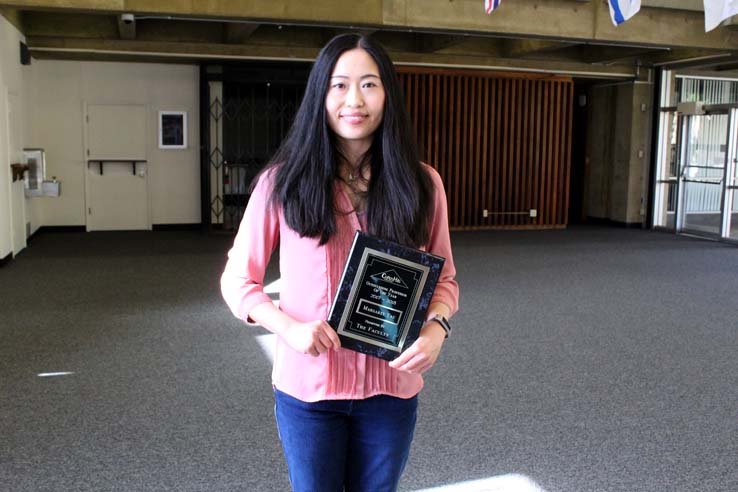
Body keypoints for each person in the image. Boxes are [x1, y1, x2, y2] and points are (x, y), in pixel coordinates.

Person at [220, 33, 459, 492]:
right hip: (309, 391)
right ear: (320, 95)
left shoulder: (422, 184)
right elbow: (238, 280)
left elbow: (444, 279)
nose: (355, 100)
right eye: (339, 85)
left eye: (369, 85)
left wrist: (436, 331)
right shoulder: (282, 182)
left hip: (391, 388)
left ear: (388, 94)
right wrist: (288, 328)